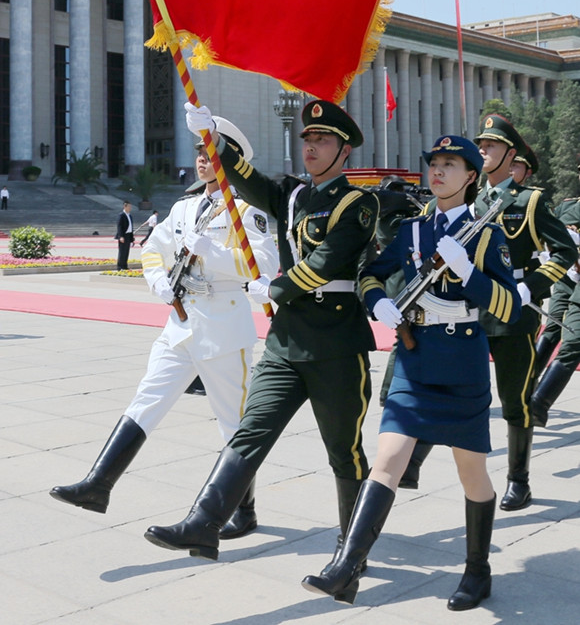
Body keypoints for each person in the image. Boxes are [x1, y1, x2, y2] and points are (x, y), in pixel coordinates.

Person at [143, 99, 379, 563]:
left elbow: (326, 262)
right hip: (286, 343)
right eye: (308, 139)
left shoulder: (358, 203)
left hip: (335, 345)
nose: (311, 148)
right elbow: (248, 182)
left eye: (323, 140)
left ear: (344, 150)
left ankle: (351, 548)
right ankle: (203, 523)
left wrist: (275, 288)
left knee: (343, 452)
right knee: (250, 431)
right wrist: (213, 137)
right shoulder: (293, 196)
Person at [302, 135, 521, 610]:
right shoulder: (412, 230)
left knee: (472, 475)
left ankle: (477, 570)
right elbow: (369, 272)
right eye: (434, 164)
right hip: (415, 360)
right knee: (387, 461)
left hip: (462, 365)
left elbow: (509, 308)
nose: (438, 172)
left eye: (450, 165)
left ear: (470, 176)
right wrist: (377, 301)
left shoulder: (486, 235)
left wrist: (469, 273)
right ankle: (347, 565)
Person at [50, 117, 278, 539]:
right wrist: (156, 281)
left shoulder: (248, 209)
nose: (202, 160)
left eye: (212, 153)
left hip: (223, 328)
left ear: (232, 160)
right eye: (200, 152)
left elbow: (264, 265)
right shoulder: (185, 207)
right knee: (145, 401)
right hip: (180, 323)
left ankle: (243, 512)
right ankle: (98, 485)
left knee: (234, 425)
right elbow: (154, 249)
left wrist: (214, 252)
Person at [473, 114, 576, 510]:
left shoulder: (529, 200)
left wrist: (529, 286)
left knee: (515, 400)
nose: (483, 150)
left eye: (492, 145)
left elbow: (565, 252)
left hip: (513, 312)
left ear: (511, 153)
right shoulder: (469, 197)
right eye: (481, 144)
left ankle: (519, 480)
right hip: (471, 309)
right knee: (457, 392)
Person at [531, 171, 580, 426]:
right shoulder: (568, 208)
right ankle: (529, 387)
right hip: (566, 279)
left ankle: (538, 400)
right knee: (552, 329)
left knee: (573, 340)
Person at [115, 201, 134, 270]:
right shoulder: (121, 215)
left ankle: (125, 266)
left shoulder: (129, 215)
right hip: (123, 235)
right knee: (122, 252)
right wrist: (121, 236)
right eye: (129, 206)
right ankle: (120, 267)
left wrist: (132, 239)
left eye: (130, 206)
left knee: (126, 251)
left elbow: (131, 227)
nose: (130, 208)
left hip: (128, 235)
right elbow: (119, 226)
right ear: (125, 206)